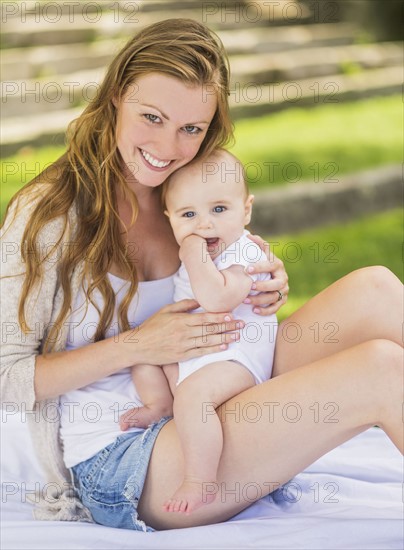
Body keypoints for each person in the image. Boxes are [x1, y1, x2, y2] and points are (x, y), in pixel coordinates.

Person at [0, 18, 402, 533]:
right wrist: (136, 346)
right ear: (116, 97)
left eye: (191, 128)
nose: (168, 147)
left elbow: (230, 270)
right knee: (383, 370)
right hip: (127, 457)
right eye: (152, 117)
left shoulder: (185, 194)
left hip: (215, 384)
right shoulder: (48, 216)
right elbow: (7, 377)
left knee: (376, 288)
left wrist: (263, 276)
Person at [120, 149, 278, 515]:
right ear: (169, 219)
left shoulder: (246, 254)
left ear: (246, 210)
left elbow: (217, 298)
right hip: (199, 357)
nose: (204, 225)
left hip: (236, 359)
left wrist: (193, 254)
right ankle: (160, 404)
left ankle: (200, 480)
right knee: (143, 359)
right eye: (188, 215)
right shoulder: (207, 253)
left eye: (219, 210)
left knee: (193, 397)